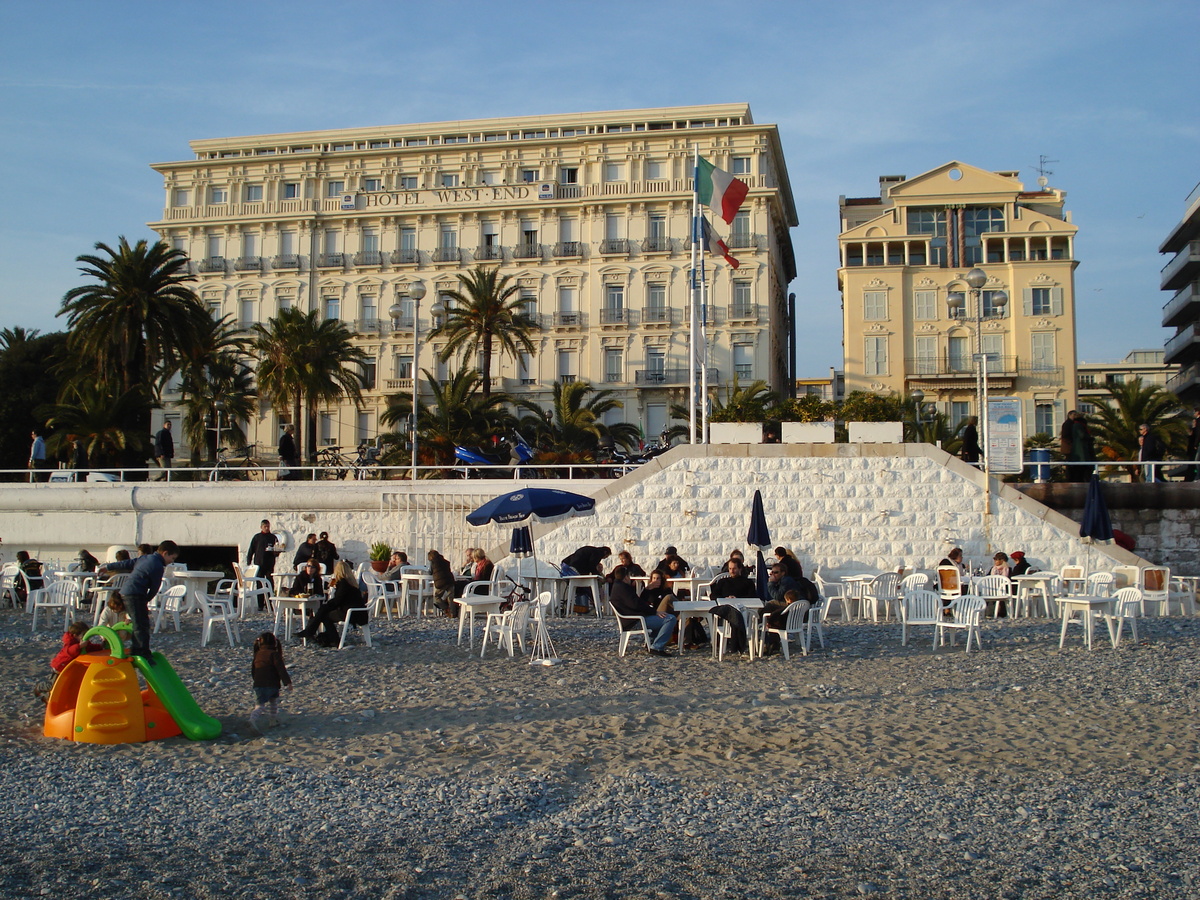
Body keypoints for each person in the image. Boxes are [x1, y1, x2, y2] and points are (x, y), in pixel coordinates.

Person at [97, 540, 179, 662]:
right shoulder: (157, 566)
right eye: (172, 558)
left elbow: (127, 563)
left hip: (126, 592)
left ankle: (137, 649)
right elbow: (155, 587)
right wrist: (146, 600)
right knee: (141, 624)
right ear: (165, 553)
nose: (172, 562)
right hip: (135, 594)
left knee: (138, 622)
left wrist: (108, 567)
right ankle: (141, 652)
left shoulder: (145, 558)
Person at [608, 565, 677, 657]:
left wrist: (647, 589)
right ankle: (656, 647)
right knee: (670, 619)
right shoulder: (623, 588)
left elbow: (638, 602)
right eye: (629, 576)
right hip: (635, 621)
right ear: (626, 577)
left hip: (631, 620)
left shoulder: (618, 587)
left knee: (662, 618)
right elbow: (637, 604)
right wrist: (655, 612)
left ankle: (651, 643)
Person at [296, 560, 365, 647]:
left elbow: (337, 601)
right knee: (324, 611)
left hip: (351, 613)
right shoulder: (351, 583)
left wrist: (326, 605)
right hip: (358, 612)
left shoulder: (343, 583)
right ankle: (311, 631)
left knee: (324, 615)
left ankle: (331, 638)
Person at [34, 621, 92, 702]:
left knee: (61, 687)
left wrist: (101, 647)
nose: (86, 638)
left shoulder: (82, 642)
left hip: (67, 670)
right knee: (52, 685)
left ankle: (46, 698)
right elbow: (70, 651)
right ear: (75, 635)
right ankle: (40, 687)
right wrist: (79, 646)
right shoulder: (70, 642)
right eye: (83, 635)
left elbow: (90, 648)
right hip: (59, 668)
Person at [250, 631, 292, 730]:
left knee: (259, 706)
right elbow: (281, 669)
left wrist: (256, 681)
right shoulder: (275, 654)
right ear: (275, 643)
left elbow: (253, 670)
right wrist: (288, 683)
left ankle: (254, 719)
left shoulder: (257, 654)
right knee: (273, 702)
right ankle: (270, 720)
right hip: (272, 685)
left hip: (258, 685)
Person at [245, 520, 279, 607]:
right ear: (261, 527)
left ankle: (269, 603)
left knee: (269, 583)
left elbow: (276, 549)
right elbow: (251, 549)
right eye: (265, 527)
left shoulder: (273, 537)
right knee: (259, 583)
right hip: (259, 563)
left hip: (269, 564)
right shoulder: (257, 537)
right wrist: (249, 560)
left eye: (268, 526)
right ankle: (260, 604)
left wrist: (276, 552)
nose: (267, 528)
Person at [1067, 410, 1095, 482]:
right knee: (1081, 467)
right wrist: (1089, 437)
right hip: (1081, 450)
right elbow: (1082, 435)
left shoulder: (1076, 424)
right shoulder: (1078, 425)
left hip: (1080, 449)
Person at [427, 549, 455, 615]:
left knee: (437, 597)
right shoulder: (446, 562)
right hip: (450, 580)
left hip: (441, 582)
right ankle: (453, 613)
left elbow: (430, 572)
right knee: (451, 597)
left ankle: (445, 607)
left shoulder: (433, 562)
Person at [1186, 407, 1200, 482]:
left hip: (1198, 444)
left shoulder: (1198, 421)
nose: (1194, 414)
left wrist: (1196, 444)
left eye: (1195, 412)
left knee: (1197, 460)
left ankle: (1198, 477)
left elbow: (1198, 434)